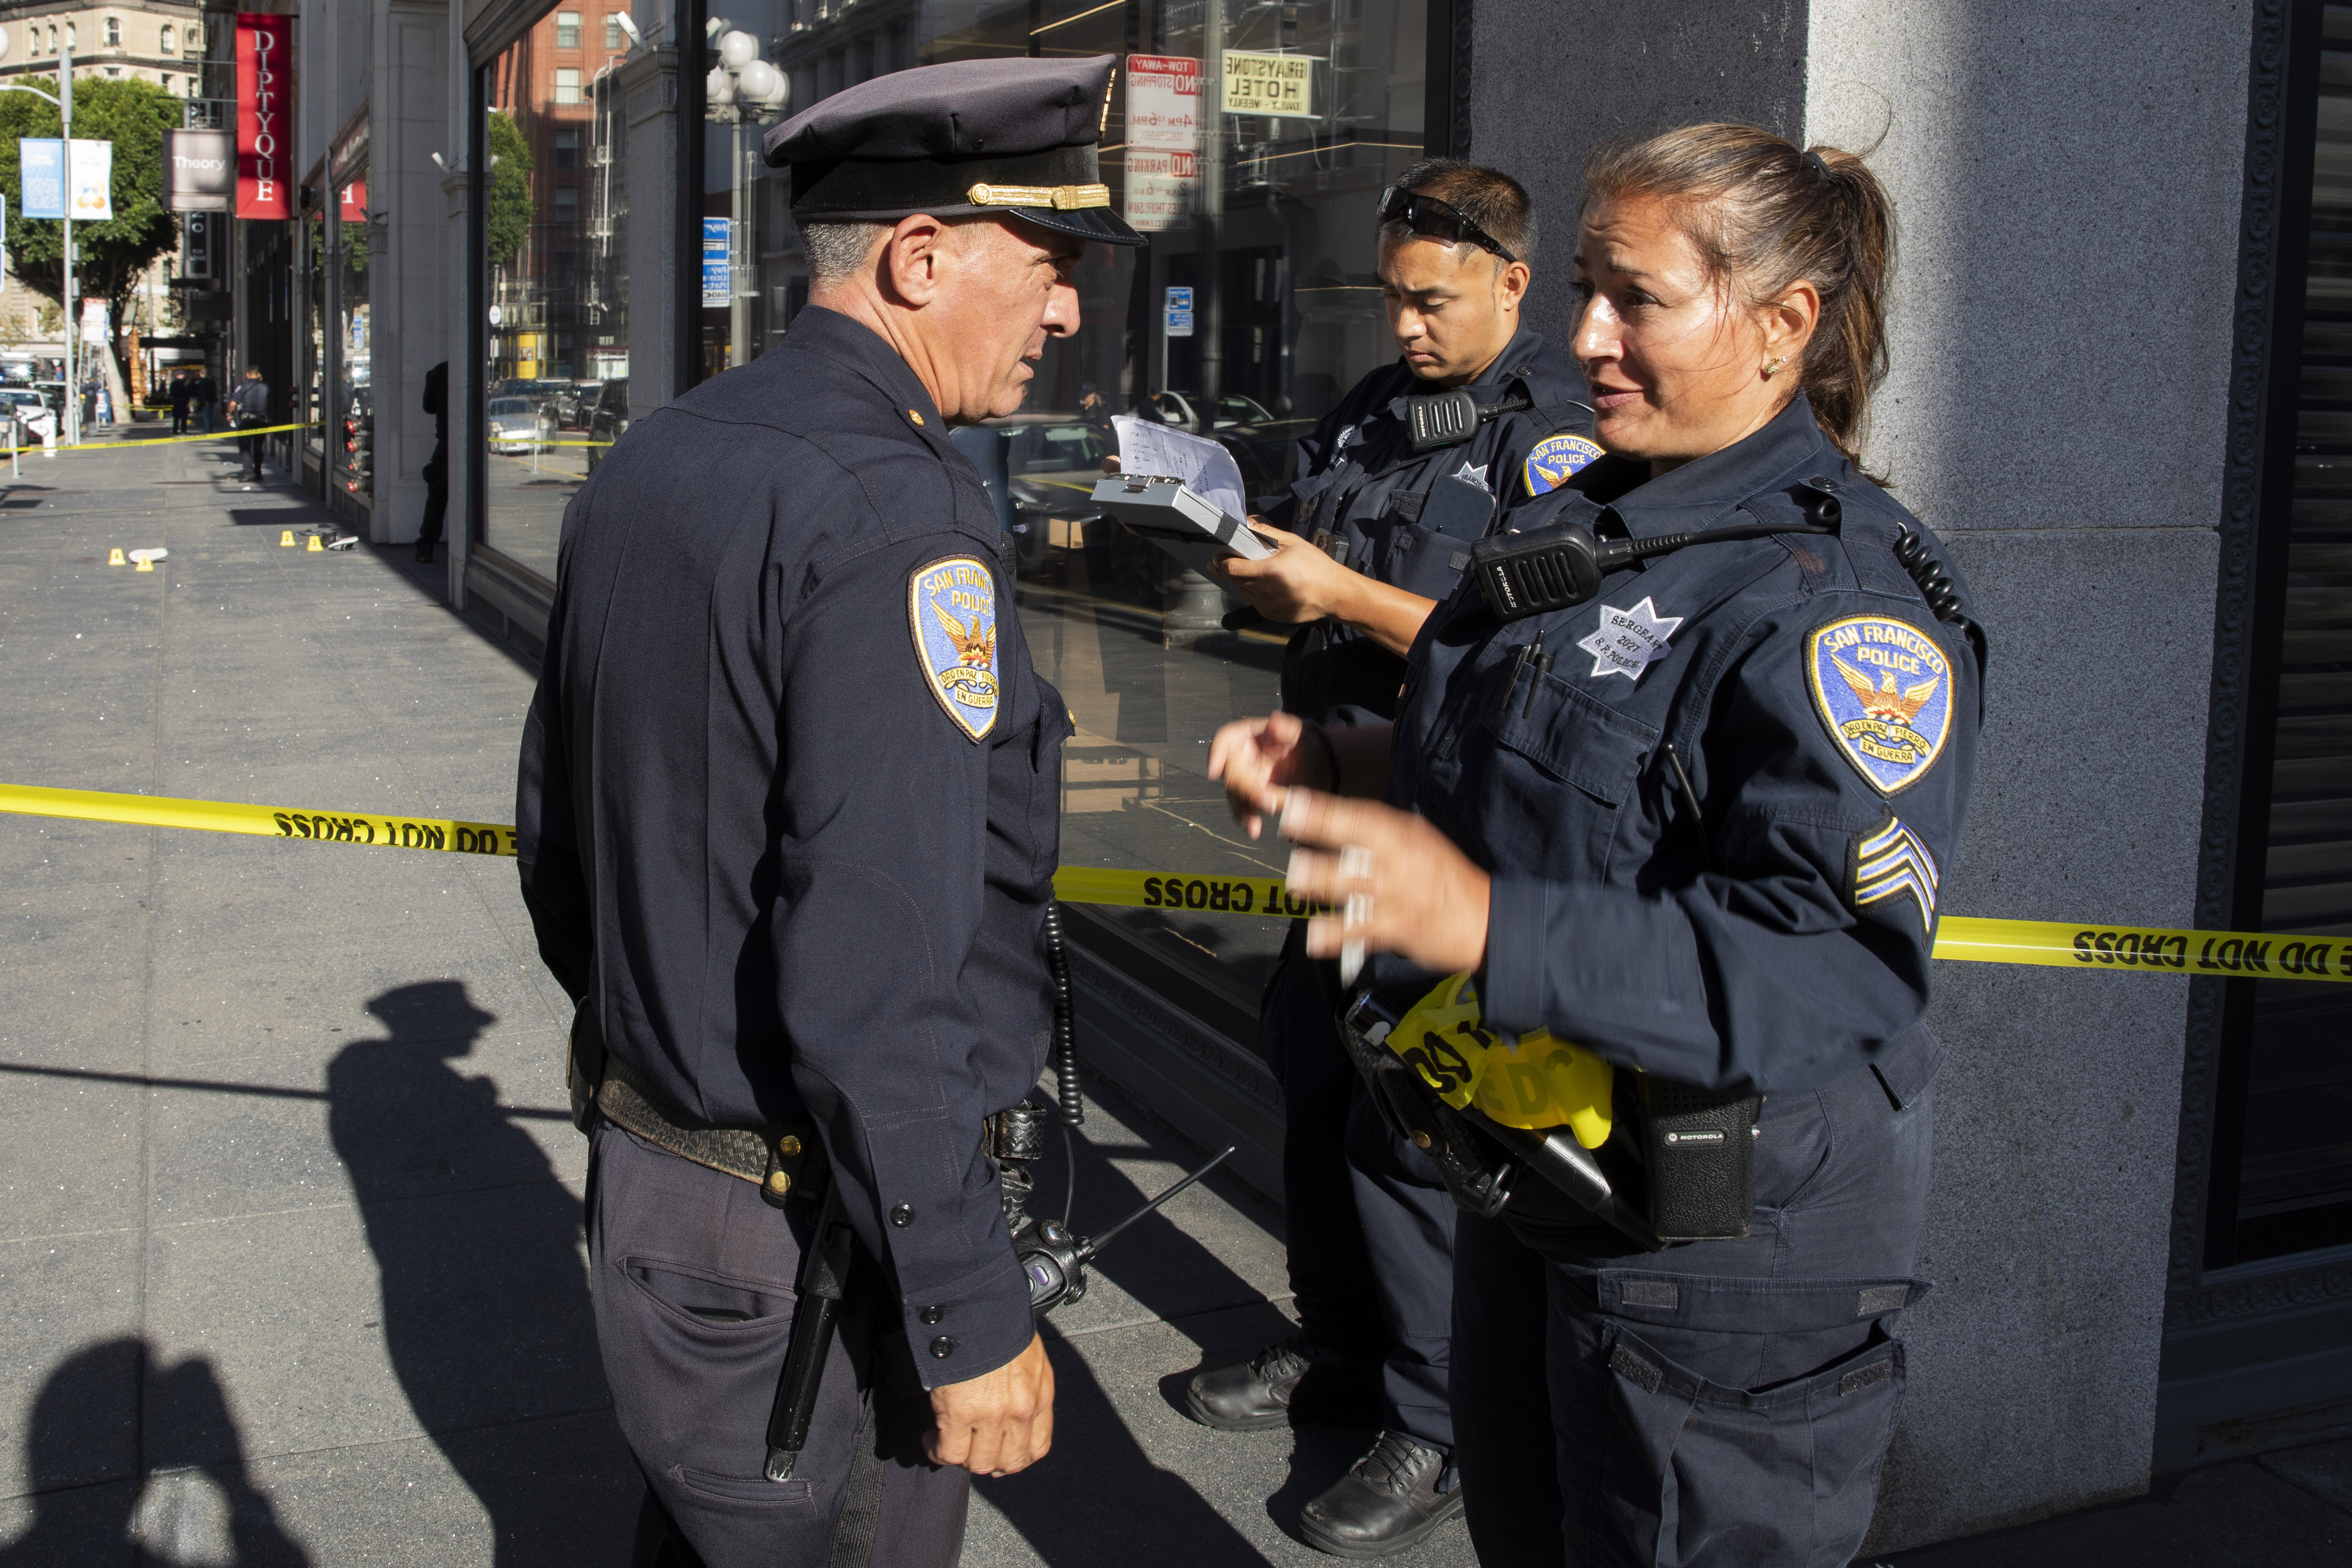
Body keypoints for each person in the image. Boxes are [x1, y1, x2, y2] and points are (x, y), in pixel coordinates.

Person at [1209, 124, 1985, 1568]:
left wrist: (1491, 927)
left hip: (1715, 1251)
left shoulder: (1841, 605)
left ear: (1781, 323)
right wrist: (1344, 758)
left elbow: (1836, 972)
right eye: (1582, 288)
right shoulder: (1596, 516)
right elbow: (1540, 750)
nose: (1584, 335)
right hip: (1547, 1173)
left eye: (1634, 299)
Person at [515, 55, 1144, 1568]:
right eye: (1050, 267)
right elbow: (880, 968)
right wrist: (967, 1305)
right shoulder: (901, 513)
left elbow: (559, 844)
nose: (1067, 314)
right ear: (921, 260)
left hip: (666, 1184)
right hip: (809, 1247)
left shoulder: (664, 449)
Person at [1179, 158, 1594, 1559]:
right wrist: (1243, 554)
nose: (1406, 325)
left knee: (1410, 1139)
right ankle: (1342, 1356)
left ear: (1511, 283)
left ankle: (1438, 1423)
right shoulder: (1371, 411)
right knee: (1311, 1084)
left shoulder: (1557, 440)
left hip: (1448, 844)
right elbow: (1310, 553)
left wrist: (1341, 592)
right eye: (1392, 296)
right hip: (1334, 819)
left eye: (1434, 300)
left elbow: (1529, 658)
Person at [416, 361, 449, 564]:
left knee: (437, 499)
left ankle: (426, 547)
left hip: (446, 445)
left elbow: (428, 406)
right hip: (471, 444)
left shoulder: (438, 372)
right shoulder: (471, 369)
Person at [230, 366, 269, 481]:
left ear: (247, 375)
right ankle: (258, 473)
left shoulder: (243, 387)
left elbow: (232, 404)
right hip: (261, 421)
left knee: (245, 448)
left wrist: (229, 415)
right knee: (259, 448)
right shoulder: (266, 387)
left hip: (247, 421)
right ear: (258, 375)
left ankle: (248, 472)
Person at [191, 368, 218, 434]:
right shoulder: (212, 380)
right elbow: (215, 389)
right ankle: (211, 428)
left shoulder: (203, 381)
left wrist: (205, 400)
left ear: (201, 374)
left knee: (206, 415)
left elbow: (203, 392)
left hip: (207, 400)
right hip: (212, 399)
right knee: (211, 414)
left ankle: (208, 429)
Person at [169, 370, 191, 436]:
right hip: (183, 402)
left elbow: (171, 393)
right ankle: (183, 430)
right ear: (179, 375)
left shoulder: (173, 383)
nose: (184, 376)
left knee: (176, 417)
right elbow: (186, 393)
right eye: (183, 375)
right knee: (184, 417)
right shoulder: (183, 383)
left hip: (176, 402)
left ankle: (175, 430)